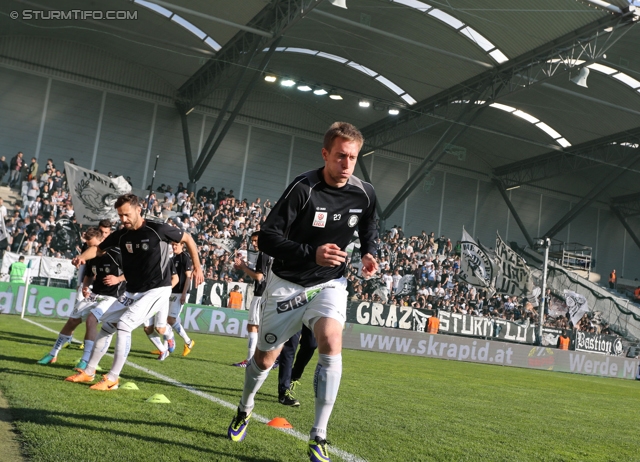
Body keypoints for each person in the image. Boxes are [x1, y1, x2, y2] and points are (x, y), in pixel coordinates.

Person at [227, 122, 379, 462]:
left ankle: (318, 435)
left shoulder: (364, 192)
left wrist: (369, 250)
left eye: (353, 157)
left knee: (331, 341)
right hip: (286, 284)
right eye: (340, 156)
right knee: (265, 358)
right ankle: (244, 408)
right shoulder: (303, 188)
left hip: (330, 283)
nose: (346, 164)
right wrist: (310, 252)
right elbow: (266, 237)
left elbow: (368, 223)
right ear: (325, 154)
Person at [65, 194, 204, 391]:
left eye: (127, 215)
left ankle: (113, 378)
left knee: (124, 324)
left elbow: (188, 239)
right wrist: (81, 257)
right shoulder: (122, 234)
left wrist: (198, 267)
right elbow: (98, 250)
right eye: (120, 216)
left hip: (157, 290)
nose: (123, 220)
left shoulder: (158, 229)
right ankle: (89, 371)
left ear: (138, 210)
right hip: (133, 291)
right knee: (107, 326)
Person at [37, 227, 124, 369]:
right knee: (72, 321)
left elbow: (134, 272)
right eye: (88, 246)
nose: (90, 249)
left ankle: (85, 360)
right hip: (95, 294)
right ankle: (53, 353)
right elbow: (89, 275)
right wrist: (85, 286)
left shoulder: (117, 254)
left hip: (112, 296)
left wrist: (118, 279)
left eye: (93, 245)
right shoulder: (91, 256)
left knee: (91, 319)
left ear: (102, 241)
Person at [232, 231, 272, 367]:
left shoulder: (263, 254)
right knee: (259, 327)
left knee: (253, 326)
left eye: (256, 241)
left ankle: (249, 360)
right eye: (252, 241)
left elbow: (259, 277)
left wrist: (243, 266)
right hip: (268, 293)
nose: (254, 244)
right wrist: (245, 267)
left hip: (260, 294)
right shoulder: (269, 253)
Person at [162, 241, 196, 357]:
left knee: (171, 319)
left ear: (182, 245)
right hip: (173, 292)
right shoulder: (174, 258)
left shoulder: (185, 257)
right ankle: (164, 348)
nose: (174, 246)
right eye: (173, 244)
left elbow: (188, 277)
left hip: (181, 292)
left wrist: (184, 294)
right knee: (166, 320)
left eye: (176, 244)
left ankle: (188, 342)